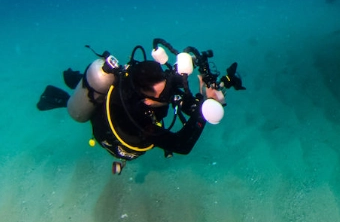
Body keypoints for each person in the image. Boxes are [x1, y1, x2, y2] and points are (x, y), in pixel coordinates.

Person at [37, 42, 242, 175]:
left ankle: (77, 82)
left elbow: (167, 85)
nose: (169, 94)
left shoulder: (138, 78)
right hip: (117, 136)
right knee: (81, 105)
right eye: (164, 95)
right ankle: (66, 100)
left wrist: (191, 79)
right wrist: (203, 110)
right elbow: (181, 145)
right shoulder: (140, 122)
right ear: (146, 101)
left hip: (115, 101)